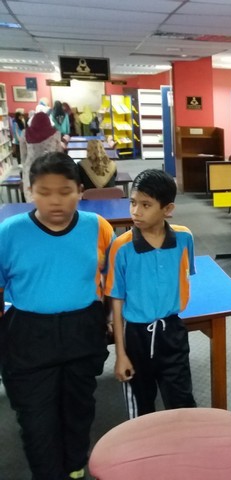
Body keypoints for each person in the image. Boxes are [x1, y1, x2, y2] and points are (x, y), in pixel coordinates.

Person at [0, 152, 113, 480]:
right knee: (37, 420)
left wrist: (107, 318)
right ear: (29, 191)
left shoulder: (97, 227)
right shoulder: (9, 232)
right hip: (29, 338)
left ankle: (75, 467)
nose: (55, 201)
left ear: (80, 190)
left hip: (83, 332)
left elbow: (111, 279)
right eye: (44, 192)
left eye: (65, 192)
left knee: (79, 409)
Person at [105, 169, 197, 419]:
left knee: (182, 404)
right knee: (142, 409)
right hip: (135, 337)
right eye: (133, 202)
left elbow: (185, 276)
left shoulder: (184, 238)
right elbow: (116, 299)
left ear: (167, 209)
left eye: (146, 205)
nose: (136, 211)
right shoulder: (121, 247)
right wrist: (121, 354)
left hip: (172, 332)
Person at [20, 111, 65, 201]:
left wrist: (23, 170)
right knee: (49, 197)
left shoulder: (25, 133)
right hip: (51, 168)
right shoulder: (55, 133)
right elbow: (59, 153)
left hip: (30, 169)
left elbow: (23, 155)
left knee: (32, 197)